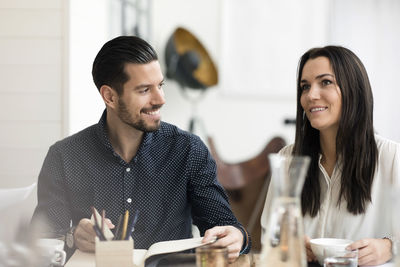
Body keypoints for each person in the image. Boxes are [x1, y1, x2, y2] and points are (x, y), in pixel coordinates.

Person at [31, 36, 250, 262]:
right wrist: (73, 236)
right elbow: (43, 241)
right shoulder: (63, 157)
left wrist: (237, 237)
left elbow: (225, 226)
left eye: (160, 85)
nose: (160, 99)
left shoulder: (189, 150)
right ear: (110, 96)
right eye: (145, 90)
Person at [260, 46, 399, 266]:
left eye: (325, 82)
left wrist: (390, 247)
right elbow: (271, 238)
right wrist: (291, 247)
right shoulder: (288, 160)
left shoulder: (392, 158)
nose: (311, 95)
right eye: (305, 87)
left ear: (354, 89)